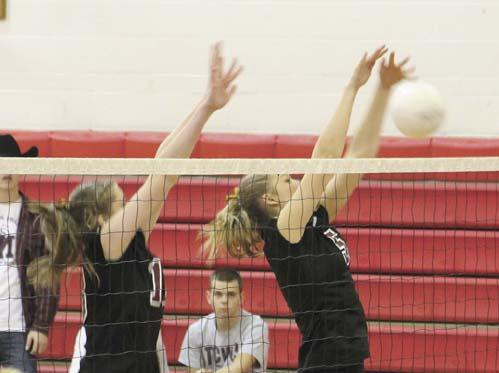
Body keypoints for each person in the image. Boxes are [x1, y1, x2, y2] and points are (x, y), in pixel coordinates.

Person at [26, 43, 242, 373]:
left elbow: (164, 170)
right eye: (121, 203)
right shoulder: (105, 242)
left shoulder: (129, 240)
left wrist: (207, 103)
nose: (130, 205)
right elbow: (160, 176)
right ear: (98, 218)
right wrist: (206, 111)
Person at [204, 48, 415, 372]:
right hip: (327, 362)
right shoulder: (283, 232)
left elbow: (358, 156)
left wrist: (382, 90)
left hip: (345, 357)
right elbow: (325, 156)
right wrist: (352, 86)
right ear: (272, 202)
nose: (296, 180)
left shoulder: (313, 219)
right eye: (287, 180)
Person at [0, 134, 59, 373]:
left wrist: (41, 326)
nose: (7, 171)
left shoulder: (37, 218)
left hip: (19, 330)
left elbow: (47, 278)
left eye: (13, 164)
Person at [178, 268, 269, 373]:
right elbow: (192, 371)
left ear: (241, 297)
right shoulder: (196, 331)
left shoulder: (256, 326)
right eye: (218, 294)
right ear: (208, 297)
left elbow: (238, 368)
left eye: (231, 294)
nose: (224, 300)